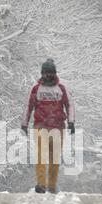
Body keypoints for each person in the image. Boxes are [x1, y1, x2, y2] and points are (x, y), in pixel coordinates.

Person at [21, 59, 75, 193]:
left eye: (50, 73)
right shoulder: (36, 89)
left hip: (57, 128)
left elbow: (69, 106)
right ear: (42, 74)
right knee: (42, 155)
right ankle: (41, 184)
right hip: (41, 126)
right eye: (46, 73)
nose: (48, 76)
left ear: (55, 74)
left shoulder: (61, 89)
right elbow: (29, 107)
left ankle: (51, 185)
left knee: (54, 157)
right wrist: (24, 123)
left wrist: (71, 122)